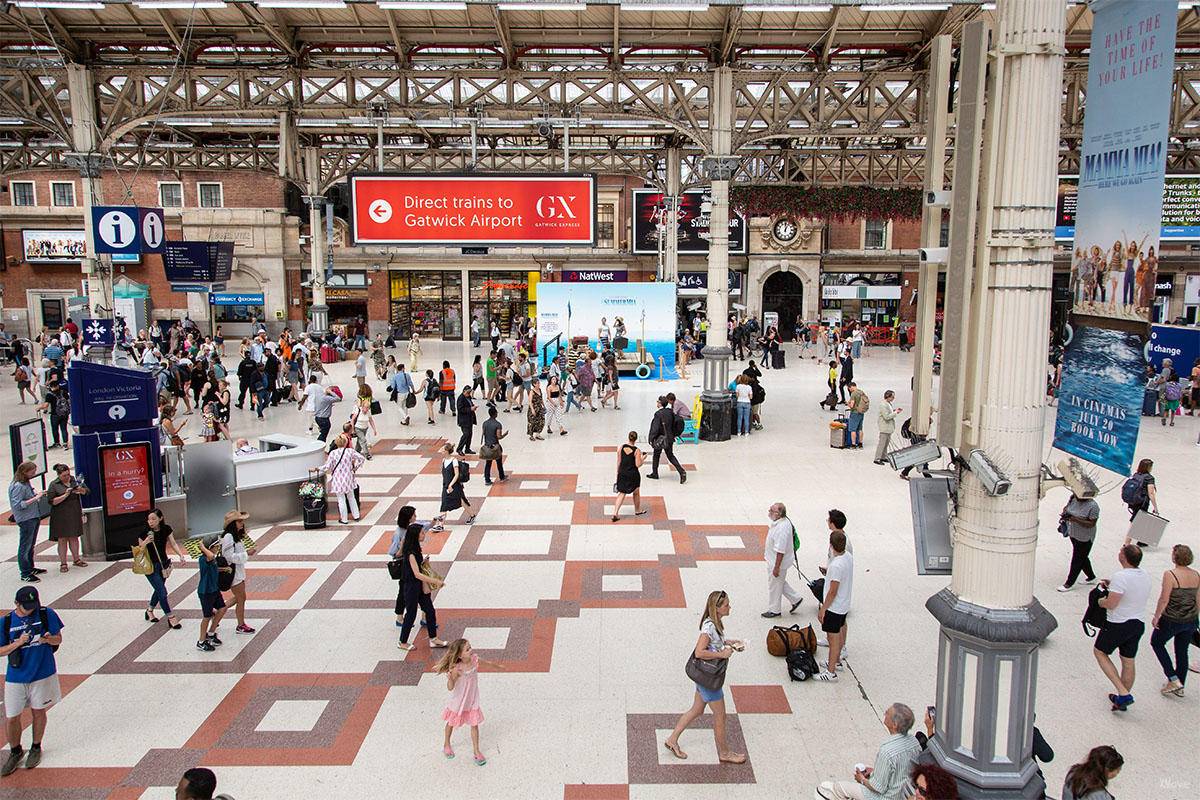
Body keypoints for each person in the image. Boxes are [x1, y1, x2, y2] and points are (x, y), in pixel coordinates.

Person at [662, 590, 746, 764]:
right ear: (717, 608)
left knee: (697, 709)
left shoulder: (714, 623)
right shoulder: (708, 627)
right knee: (720, 716)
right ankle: (724, 753)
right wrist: (722, 654)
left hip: (703, 676)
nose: (729, 607)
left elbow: (713, 644)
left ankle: (672, 740)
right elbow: (700, 652)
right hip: (709, 680)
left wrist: (728, 642)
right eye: (726, 605)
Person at [0, 587, 64, 776]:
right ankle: (15, 750)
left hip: (43, 672)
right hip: (16, 675)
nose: (30, 610)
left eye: (33, 605)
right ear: (16, 604)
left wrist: (48, 639)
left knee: (39, 711)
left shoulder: (46, 614)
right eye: (26, 607)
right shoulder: (6, 623)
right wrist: (18, 643)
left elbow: (58, 638)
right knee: (12, 716)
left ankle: (36, 746)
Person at [816, 703, 921, 800]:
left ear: (894, 725)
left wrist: (861, 779)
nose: (885, 713)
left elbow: (878, 787)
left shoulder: (887, 751)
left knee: (840, 787)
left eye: (887, 713)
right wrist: (876, 772)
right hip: (903, 794)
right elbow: (900, 773)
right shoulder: (914, 742)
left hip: (886, 797)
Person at [1094, 544, 1151, 711]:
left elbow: (1111, 604)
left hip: (1118, 624)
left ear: (1124, 558)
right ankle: (1121, 698)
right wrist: (1113, 585)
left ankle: (1123, 692)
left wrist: (1100, 602)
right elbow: (1131, 588)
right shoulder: (1144, 575)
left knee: (1100, 652)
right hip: (1137, 623)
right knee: (1128, 661)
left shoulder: (1121, 576)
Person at [434, 638, 504, 765]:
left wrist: (497, 666)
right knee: (451, 722)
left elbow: (486, 662)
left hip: (472, 698)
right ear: (460, 655)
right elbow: (450, 687)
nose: (471, 650)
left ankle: (477, 751)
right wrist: (450, 678)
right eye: (467, 649)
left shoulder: (474, 659)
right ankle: (446, 743)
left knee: (474, 724)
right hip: (459, 699)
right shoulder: (457, 668)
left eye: (470, 647)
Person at [1150, 544, 1199, 697]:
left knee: (1157, 643)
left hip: (1171, 619)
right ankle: (1180, 686)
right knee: (1182, 651)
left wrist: (1157, 616)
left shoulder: (1170, 574)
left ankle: (1173, 678)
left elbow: (1164, 599)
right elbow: (1198, 600)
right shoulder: (1197, 575)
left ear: (1174, 557)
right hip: (1190, 619)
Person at [396, 522, 448, 651]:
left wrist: (424, 562)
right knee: (411, 614)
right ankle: (402, 642)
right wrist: (435, 581)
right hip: (412, 587)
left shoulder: (416, 549)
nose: (424, 534)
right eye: (422, 533)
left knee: (430, 610)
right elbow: (417, 574)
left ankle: (433, 639)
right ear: (415, 535)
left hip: (419, 586)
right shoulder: (411, 553)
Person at [815, 530, 853, 682]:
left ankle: (830, 672)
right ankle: (835, 661)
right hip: (844, 604)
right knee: (839, 632)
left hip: (834, 607)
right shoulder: (848, 557)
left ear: (831, 545)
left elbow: (833, 591)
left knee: (833, 638)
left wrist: (823, 608)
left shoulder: (836, 565)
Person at [138, 508, 186, 630]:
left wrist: (180, 555)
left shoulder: (166, 529)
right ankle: (171, 617)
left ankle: (149, 610)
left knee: (158, 590)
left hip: (163, 564)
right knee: (162, 592)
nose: (151, 522)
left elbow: (173, 543)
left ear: (161, 518)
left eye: (154, 519)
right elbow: (139, 550)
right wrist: (146, 541)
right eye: (149, 519)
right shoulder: (144, 532)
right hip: (150, 566)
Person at [760, 502, 803, 618]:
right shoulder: (782, 522)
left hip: (777, 562)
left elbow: (780, 550)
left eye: (771, 510)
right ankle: (796, 599)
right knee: (779, 582)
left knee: (774, 585)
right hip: (774, 560)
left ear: (778, 514)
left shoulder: (782, 529)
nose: (769, 512)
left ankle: (774, 610)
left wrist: (776, 567)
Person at [9, 461, 47, 584]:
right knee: (25, 546)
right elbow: (18, 505)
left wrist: (36, 494)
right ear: (25, 472)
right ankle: (25, 572)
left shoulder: (26, 483)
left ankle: (30, 567)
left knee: (31, 545)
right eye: (32, 472)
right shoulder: (18, 486)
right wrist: (35, 498)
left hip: (33, 516)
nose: (34, 474)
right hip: (26, 519)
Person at [45, 463, 87, 573]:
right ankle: (63, 563)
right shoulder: (54, 485)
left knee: (74, 537)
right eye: (64, 475)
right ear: (59, 475)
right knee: (62, 539)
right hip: (60, 515)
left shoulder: (75, 480)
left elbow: (87, 491)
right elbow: (51, 501)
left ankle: (76, 559)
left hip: (74, 513)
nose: (67, 477)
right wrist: (65, 495)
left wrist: (81, 490)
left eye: (68, 474)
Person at [220, 510, 256, 636]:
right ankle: (240, 624)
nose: (242, 523)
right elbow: (229, 556)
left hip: (238, 572)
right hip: (233, 574)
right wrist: (247, 554)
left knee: (240, 597)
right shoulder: (229, 537)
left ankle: (218, 611)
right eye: (239, 521)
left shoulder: (235, 536)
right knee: (241, 598)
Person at [1057, 489, 1100, 592]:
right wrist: (1065, 513)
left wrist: (1075, 519)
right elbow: (1067, 508)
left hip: (1085, 537)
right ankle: (1091, 576)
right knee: (1082, 557)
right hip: (1073, 532)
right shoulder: (1073, 498)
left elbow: (1092, 523)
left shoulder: (1093, 506)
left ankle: (1069, 583)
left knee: (1077, 559)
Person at [320, 434, 365, 524]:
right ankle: (356, 515)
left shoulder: (333, 453)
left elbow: (327, 466)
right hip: (349, 477)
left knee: (341, 499)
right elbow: (361, 458)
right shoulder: (350, 451)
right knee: (351, 497)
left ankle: (344, 519)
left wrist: (318, 468)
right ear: (345, 442)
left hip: (338, 478)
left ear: (336, 443)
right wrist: (355, 467)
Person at [196, 533, 228, 653]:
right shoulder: (204, 559)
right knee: (207, 616)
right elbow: (210, 556)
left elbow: (214, 567)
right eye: (216, 546)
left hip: (214, 589)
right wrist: (203, 547)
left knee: (222, 608)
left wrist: (224, 569)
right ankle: (201, 641)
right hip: (206, 592)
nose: (218, 549)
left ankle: (211, 633)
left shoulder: (211, 559)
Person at [646, 395, 686, 482]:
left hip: (660, 438)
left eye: (657, 401)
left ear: (660, 403)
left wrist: (651, 438)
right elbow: (677, 421)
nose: (657, 403)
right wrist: (675, 433)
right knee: (670, 455)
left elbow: (655, 428)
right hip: (670, 437)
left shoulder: (658, 414)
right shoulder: (670, 411)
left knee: (656, 455)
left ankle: (655, 473)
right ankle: (681, 471)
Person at [612, 431, 646, 522]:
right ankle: (637, 510)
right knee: (636, 492)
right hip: (633, 475)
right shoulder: (637, 451)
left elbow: (618, 462)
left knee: (622, 493)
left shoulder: (621, 448)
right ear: (636, 439)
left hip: (622, 473)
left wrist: (618, 473)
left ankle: (615, 513)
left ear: (628, 437)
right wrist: (643, 458)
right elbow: (638, 464)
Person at [440, 442, 475, 525]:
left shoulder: (454, 461)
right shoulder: (443, 460)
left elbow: (456, 474)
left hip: (454, 486)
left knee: (461, 500)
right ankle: (440, 525)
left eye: (443, 449)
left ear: (447, 451)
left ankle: (472, 515)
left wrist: (451, 485)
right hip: (446, 485)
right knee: (444, 504)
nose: (441, 451)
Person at [481, 405, 508, 485]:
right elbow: (499, 437)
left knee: (488, 464)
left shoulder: (485, 423)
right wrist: (505, 434)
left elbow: (484, 433)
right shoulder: (498, 424)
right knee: (499, 463)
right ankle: (502, 477)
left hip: (487, 446)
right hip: (495, 447)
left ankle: (487, 479)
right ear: (495, 414)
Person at [873, 390, 901, 465]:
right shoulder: (883, 405)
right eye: (892, 397)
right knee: (882, 443)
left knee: (886, 443)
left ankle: (883, 456)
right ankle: (877, 458)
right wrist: (895, 413)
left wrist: (894, 411)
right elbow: (886, 416)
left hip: (888, 427)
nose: (893, 398)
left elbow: (889, 413)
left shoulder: (888, 404)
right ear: (887, 396)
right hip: (884, 427)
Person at [352, 386, 377, 459]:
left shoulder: (368, 412)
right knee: (363, 440)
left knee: (359, 442)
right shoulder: (358, 410)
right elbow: (352, 419)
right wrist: (353, 429)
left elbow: (371, 420)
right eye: (365, 408)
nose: (366, 409)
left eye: (368, 408)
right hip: (358, 428)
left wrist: (374, 429)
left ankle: (356, 452)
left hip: (365, 428)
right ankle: (367, 454)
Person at [845, 381, 869, 449]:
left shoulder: (853, 394)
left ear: (851, 387)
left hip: (855, 413)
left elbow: (852, 405)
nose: (849, 389)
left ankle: (853, 445)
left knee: (853, 430)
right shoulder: (861, 392)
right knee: (860, 429)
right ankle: (860, 444)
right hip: (861, 412)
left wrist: (848, 404)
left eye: (849, 388)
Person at [456, 385, 478, 455]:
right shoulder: (461, 398)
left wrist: (472, 406)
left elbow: (469, 404)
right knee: (466, 434)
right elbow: (460, 409)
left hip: (469, 419)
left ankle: (467, 449)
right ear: (464, 391)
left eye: (470, 392)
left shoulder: (468, 397)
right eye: (468, 392)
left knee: (470, 434)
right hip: (464, 420)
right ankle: (459, 449)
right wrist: (470, 409)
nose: (469, 394)